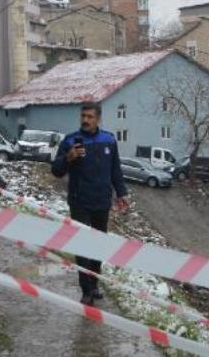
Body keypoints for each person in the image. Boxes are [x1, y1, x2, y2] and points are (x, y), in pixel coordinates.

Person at [51, 102, 129, 305]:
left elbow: (115, 170)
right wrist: (68, 157)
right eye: (83, 116)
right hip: (79, 201)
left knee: (98, 245)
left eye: (90, 116)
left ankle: (94, 284)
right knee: (83, 245)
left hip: (102, 201)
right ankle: (85, 289)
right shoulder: (69, 141)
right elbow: (56, 170)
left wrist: (121, 193)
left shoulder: (109, 140)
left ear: (98, 119)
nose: (85, 120)